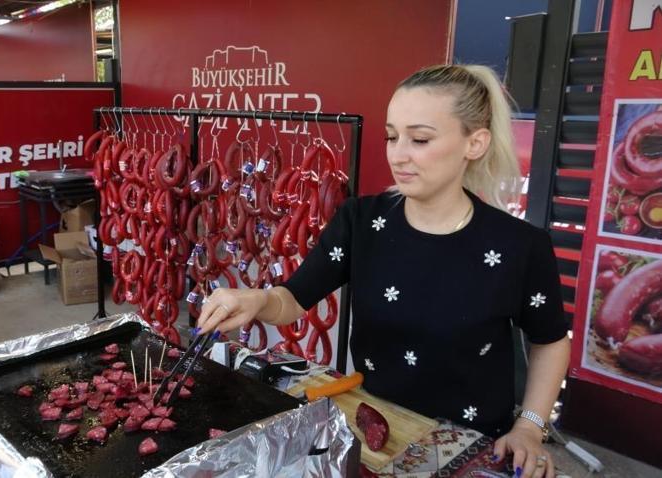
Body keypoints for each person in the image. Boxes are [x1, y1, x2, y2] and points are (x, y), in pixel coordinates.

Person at [197, 64, 571, 478]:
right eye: (392, 136)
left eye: (420, 139)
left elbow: (550, 341)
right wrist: (255, 299)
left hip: (474, 443)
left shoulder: (519, 245)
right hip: (378, 429)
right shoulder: (361, 220)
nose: (398, 153)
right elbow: (291, 300)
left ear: (475, 143)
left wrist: (530, 427)